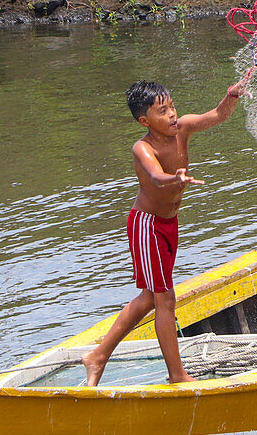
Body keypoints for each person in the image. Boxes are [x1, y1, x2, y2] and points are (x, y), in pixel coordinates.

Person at [82, 80, 243, 386]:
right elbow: (156, 177)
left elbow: (217, 115)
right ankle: (177, 375)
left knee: (148, 299)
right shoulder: (142, 147)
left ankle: (98, 356)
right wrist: (175, 179)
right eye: (163, 111)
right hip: (148, 226)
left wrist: (230, 97)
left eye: (172, 107)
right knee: (164, 299)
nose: (172, 115)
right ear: (145, 121)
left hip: (169, 223)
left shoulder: (182, 129)